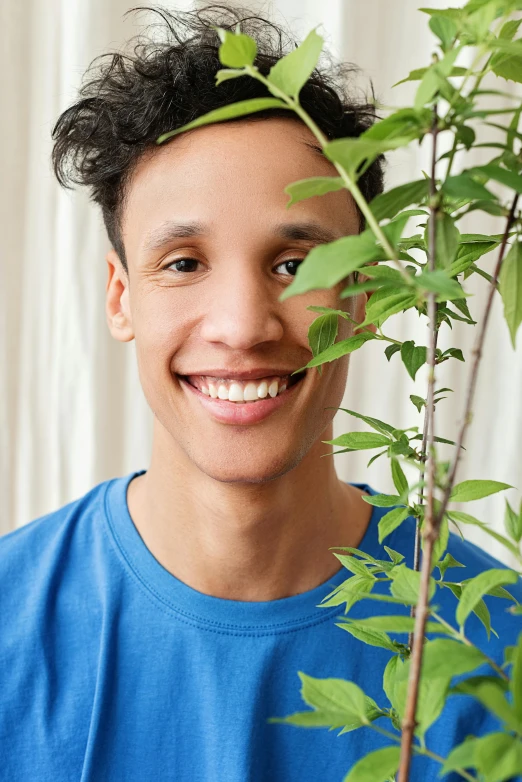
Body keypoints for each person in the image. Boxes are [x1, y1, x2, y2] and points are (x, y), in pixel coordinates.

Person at [1, 6, 519, 781]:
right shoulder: (10, 628)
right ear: (120, 298)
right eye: (183, 263)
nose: (242, 328)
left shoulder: (495, 643)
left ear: (366, 296)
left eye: (292, 265)